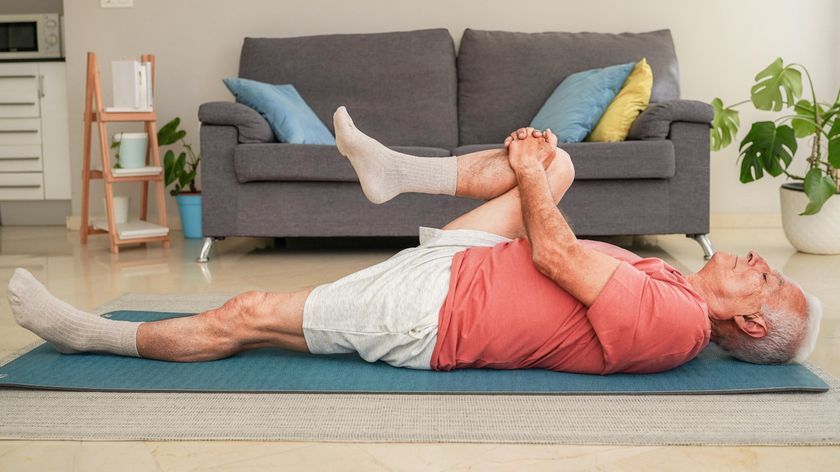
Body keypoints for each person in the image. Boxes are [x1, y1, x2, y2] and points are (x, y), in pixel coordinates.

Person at [7, 107, 822, 374]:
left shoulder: (677, 327)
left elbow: (558, 256)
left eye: (764, 280)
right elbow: (554, 248)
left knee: (248, 310)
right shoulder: (675, 291)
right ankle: (395, 171)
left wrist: (529, 177)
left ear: (748, 323)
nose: (756, 260)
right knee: (560, 164)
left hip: (431, 314)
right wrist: (540, 172)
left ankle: (89, 337)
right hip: (470, 267)